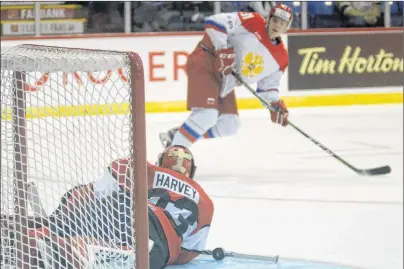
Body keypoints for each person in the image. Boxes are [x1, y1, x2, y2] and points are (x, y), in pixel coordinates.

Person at [28, 145, 214, 269]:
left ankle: (47, 233)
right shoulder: (205, 202)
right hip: (157, 242)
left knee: (82, 192)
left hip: (123, 210)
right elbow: (189, 254)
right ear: (191, 172)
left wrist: (59, 220)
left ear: (161, 162)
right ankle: (81, 245)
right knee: (133, 254)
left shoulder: (146, 170)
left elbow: (90, 192)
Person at [159, 3, 292, 149]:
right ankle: (172, 158)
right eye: (275, 20)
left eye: (282, 22)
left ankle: (178, 136)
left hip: (225, 81)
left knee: (229, 124)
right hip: (207, 61)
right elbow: (214, 21)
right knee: (207, 116)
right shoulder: (253, 21)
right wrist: (222, 49)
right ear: (269, 19)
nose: (277, 25)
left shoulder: (281, 58)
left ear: (287, 26)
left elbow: (267, 89)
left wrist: (274, 105)